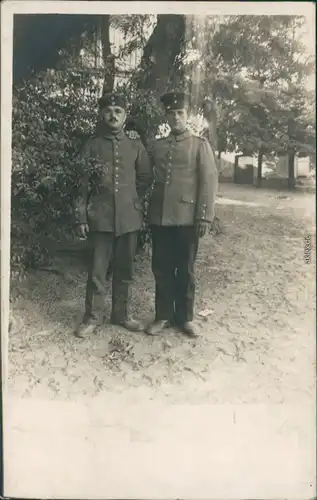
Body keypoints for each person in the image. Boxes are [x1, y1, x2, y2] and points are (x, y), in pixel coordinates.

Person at [74, 92, 152, 337]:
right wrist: (81, 216)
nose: (113, 115)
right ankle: (93, 317)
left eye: (118, 111)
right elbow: (81, 184)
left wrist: (132, 200)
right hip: (100, 217)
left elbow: (146, 178)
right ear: (101, 114)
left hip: (129, 218)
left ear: (125, 115)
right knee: (97, 271)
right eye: (108, 110)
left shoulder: (135, 145)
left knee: (125, 270)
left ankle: (121, 315)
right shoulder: (91, 145)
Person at [145, 91, 218, 338]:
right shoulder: (158, 145)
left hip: (187, 218)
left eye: (180, 113)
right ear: (166, 116)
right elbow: (145, 175)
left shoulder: (199, 145)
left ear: (187, 115)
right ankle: (163, 315)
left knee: (185, 268)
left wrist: (204, 216)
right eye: (171, 113)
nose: (176, 117)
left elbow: (208, 182)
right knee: (162, 268)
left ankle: (185, 317)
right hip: (160, 217)